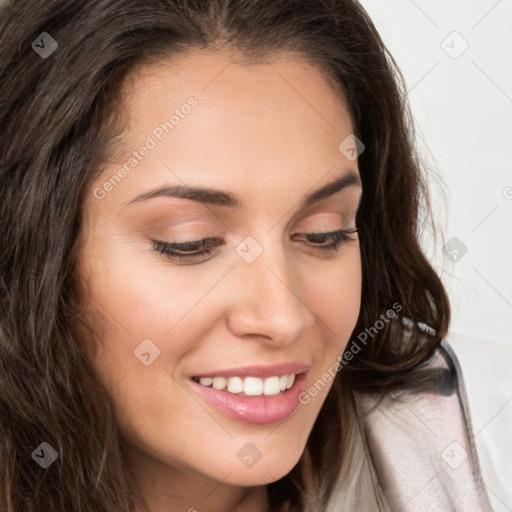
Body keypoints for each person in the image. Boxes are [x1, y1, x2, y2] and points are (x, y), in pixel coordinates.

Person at [0, 1, 494, 511]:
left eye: (323, 234)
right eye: (189, 243)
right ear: (32, 255)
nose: (282, 317)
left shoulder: (477, 441)